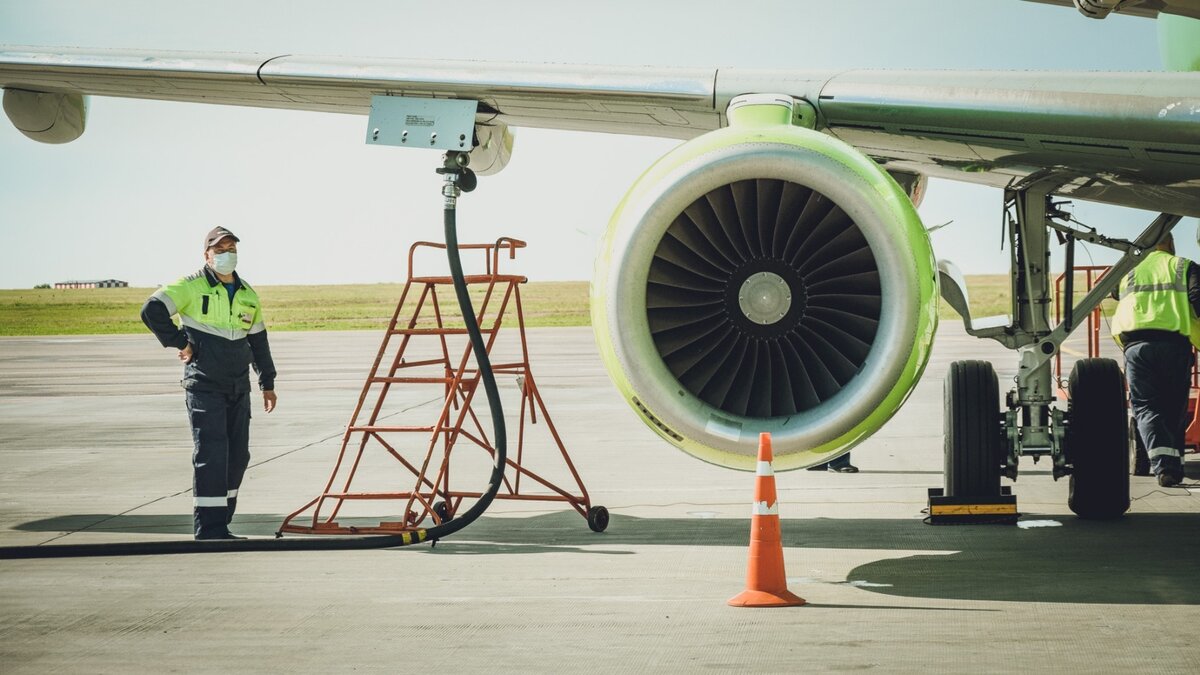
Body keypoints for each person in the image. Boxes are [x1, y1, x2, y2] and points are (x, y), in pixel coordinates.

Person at [141, 226, 278, 539]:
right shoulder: (190, 286)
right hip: (204, 385)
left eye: (231, 248)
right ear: (207, 255)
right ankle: (210, 527)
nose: (227, 254)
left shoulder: (247, 293)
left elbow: (258, 341)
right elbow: (151, 310)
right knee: (212, 453)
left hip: (238, 387)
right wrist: (180, 342)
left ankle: (222, 520)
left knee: (238, 456)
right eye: (219, 249)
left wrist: (266, 381)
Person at [1110, 232, 1200, 488]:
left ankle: (1163, 466)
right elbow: (1197, 297)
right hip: (1174, 344)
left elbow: (1114, 292)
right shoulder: (1184, 265)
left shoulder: (1130, 270)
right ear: (1170, 243)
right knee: (1174, 408)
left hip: (1137, 347)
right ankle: (1173, 466)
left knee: (1147, 407)